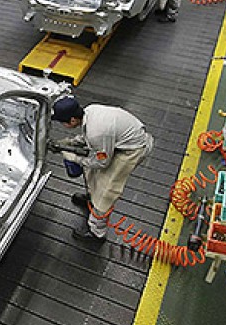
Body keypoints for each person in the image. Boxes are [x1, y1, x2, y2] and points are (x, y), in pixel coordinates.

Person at [49, 97, 154, 241]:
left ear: (72, 120)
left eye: (62, 122)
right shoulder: (89, 111)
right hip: (118, 141)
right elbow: (91, 138)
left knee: (106, 189)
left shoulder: (97, 132)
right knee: (91, 171)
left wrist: (75, 158)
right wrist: (71, 143)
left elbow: (102, 163)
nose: (62, 125)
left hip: (132, 149)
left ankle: (97, 232)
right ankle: (91, 199)